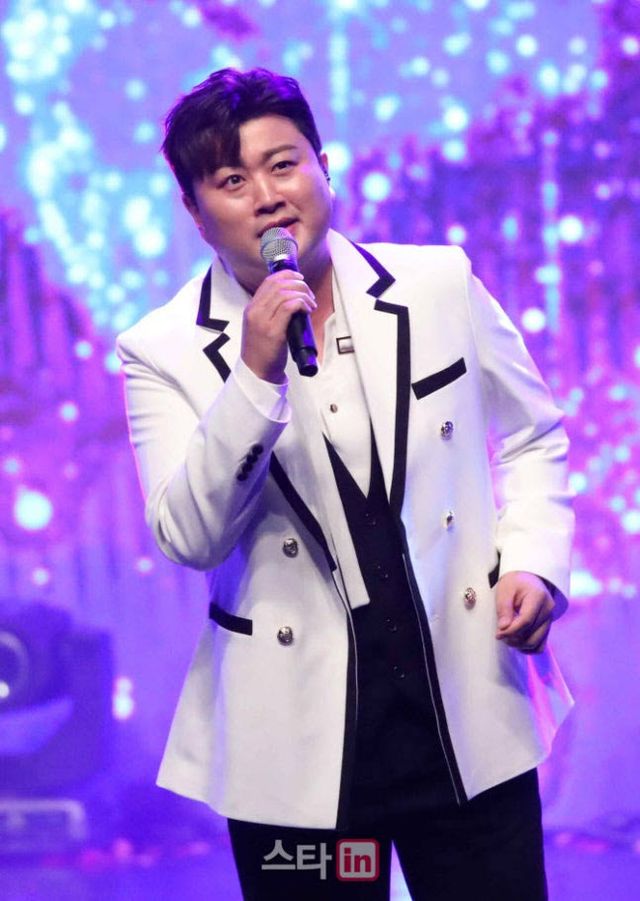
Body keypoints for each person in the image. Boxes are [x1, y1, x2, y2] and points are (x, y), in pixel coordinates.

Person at [116, 67, 574, 900]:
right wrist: (254, 376)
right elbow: (190, 536)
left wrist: (535, 561)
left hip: (462, 705)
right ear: (195, 211)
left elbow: (532, 435)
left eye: (284, 164)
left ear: (324, 167)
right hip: (295, 742)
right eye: (232, 180)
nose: (268, 196)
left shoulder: (437, 285)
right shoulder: (162, 349)